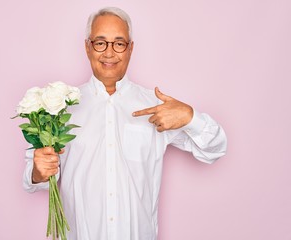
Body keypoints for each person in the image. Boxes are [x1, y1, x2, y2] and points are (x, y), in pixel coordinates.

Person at [23, 7, 227, 240]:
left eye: (119, 43)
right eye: (100, 43)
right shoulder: (60, 108)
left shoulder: (156, 105)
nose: (109, 53)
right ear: (87, 47)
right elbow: (33, 178)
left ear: (130, 48)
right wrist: (38, 172)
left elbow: (215, 149)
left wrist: (191, 117)